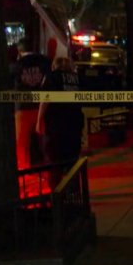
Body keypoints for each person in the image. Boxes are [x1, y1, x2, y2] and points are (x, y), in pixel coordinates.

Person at [36, 57, 84, 190]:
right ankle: (74, 194)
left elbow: (46, 97)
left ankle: (56, 194)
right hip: (74, 125)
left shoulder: (52, 77)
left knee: (55, 162)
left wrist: (39, 120)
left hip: (56, 125)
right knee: (72, 163)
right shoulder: (76, 78)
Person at [11, 38, 50, 170]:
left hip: (22, 108)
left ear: (19, 50)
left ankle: (24, 170)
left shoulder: (17, 65)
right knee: (44, 141)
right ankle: (49, 169)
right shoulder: (45, 62)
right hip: (41, 107)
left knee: (22, 144)